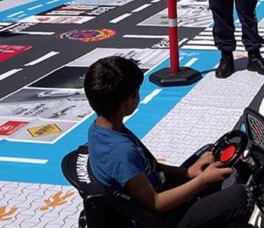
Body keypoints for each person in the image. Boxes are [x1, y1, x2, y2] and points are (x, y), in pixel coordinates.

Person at [84, 56, 252, 228]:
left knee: (209, 153)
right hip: (164, 218)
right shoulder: (121, 151)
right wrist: (203, 180)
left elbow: (150, 166)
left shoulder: (100, 129)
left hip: (157, 191)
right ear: (126, 103)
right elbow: (156, 203)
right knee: (241, 196)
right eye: (136, 92)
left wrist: (188, 173)